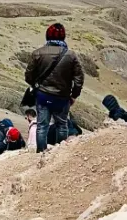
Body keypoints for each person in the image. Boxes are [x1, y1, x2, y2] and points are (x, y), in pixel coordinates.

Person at [24, 23, 85, 152]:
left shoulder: (38, 53)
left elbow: (28, 75)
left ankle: (41, 153)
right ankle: (59, 153)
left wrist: (37, 86)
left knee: (42, 126)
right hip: (62, 98)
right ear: (63, 37)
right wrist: (74, 95)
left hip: (43, 96)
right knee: (62, 125)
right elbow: (79, 79)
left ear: (47, 36)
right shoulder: (71, 55)